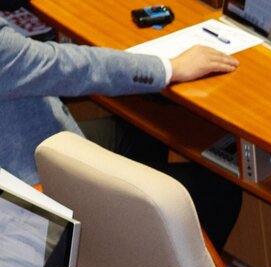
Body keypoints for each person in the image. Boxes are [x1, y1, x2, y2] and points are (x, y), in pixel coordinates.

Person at [0, 24, 243, 246]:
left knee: (141, 133)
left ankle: (133, 244)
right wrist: (170, 68)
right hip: (30, 187)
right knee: (221, 191)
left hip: (34, 140)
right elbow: (64, 67)